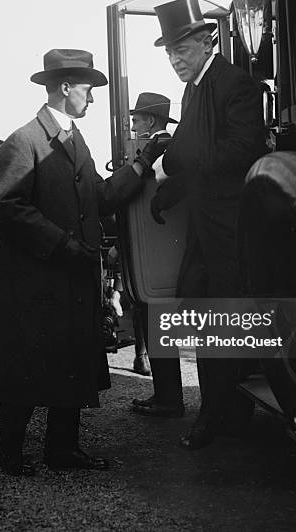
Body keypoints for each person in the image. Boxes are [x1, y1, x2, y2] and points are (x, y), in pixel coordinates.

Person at [0, 48, 168, 477]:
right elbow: (9, 207)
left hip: (69, 277)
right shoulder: (24, 140)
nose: (92, 99)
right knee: (28, 365)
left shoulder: (74, 139)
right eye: (87, 89)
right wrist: (67, 246)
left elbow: (100, 196)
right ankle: (8, 451)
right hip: (38, 278)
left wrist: (143, 162)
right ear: (65, 88)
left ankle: (62, 449)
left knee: (69, 360)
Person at [147, 0, 266, 449]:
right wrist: (172, 190)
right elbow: (198, 156)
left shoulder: (235, 84)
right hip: (206, 225)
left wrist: (178, 164)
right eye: (169, 52)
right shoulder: (195, 86)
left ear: (205, 40)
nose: (175, 59)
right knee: (201, 310)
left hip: (232, 229)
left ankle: (220, 415)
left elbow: (242, 150)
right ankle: (223, 412)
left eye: (181, 49)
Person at [129, 92, 187, 405]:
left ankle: (167, 398)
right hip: (160, 250)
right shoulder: (165, 146)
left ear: (150, 121)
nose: (133, 125)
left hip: (157, 251)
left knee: (158, 322)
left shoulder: (161, 150)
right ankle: (166, 395)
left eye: (136, 119)